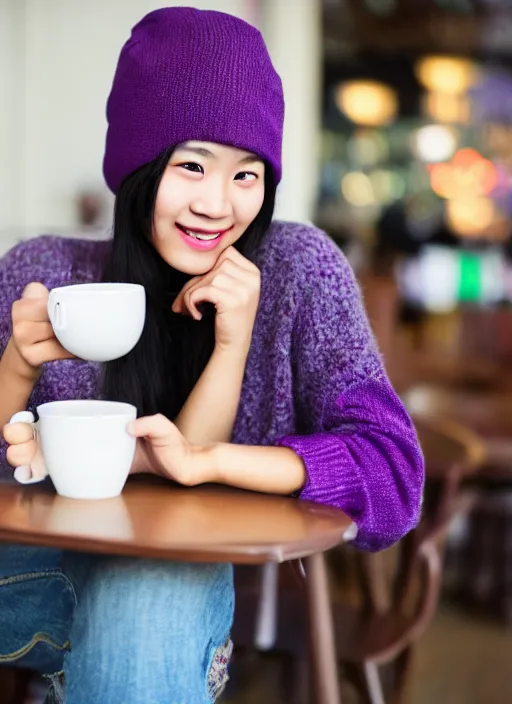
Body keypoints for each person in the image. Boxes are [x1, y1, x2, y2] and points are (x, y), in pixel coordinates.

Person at [0, 7, 424, 703]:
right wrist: (17, 367)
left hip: (191, 581)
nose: (216, 205)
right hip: (38, 570)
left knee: (143, 603)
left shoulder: (297, 271)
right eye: (191, 165)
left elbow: (393, 474)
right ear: (138, 168)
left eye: (246, 175)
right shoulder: (45, 273)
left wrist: (212, 459)